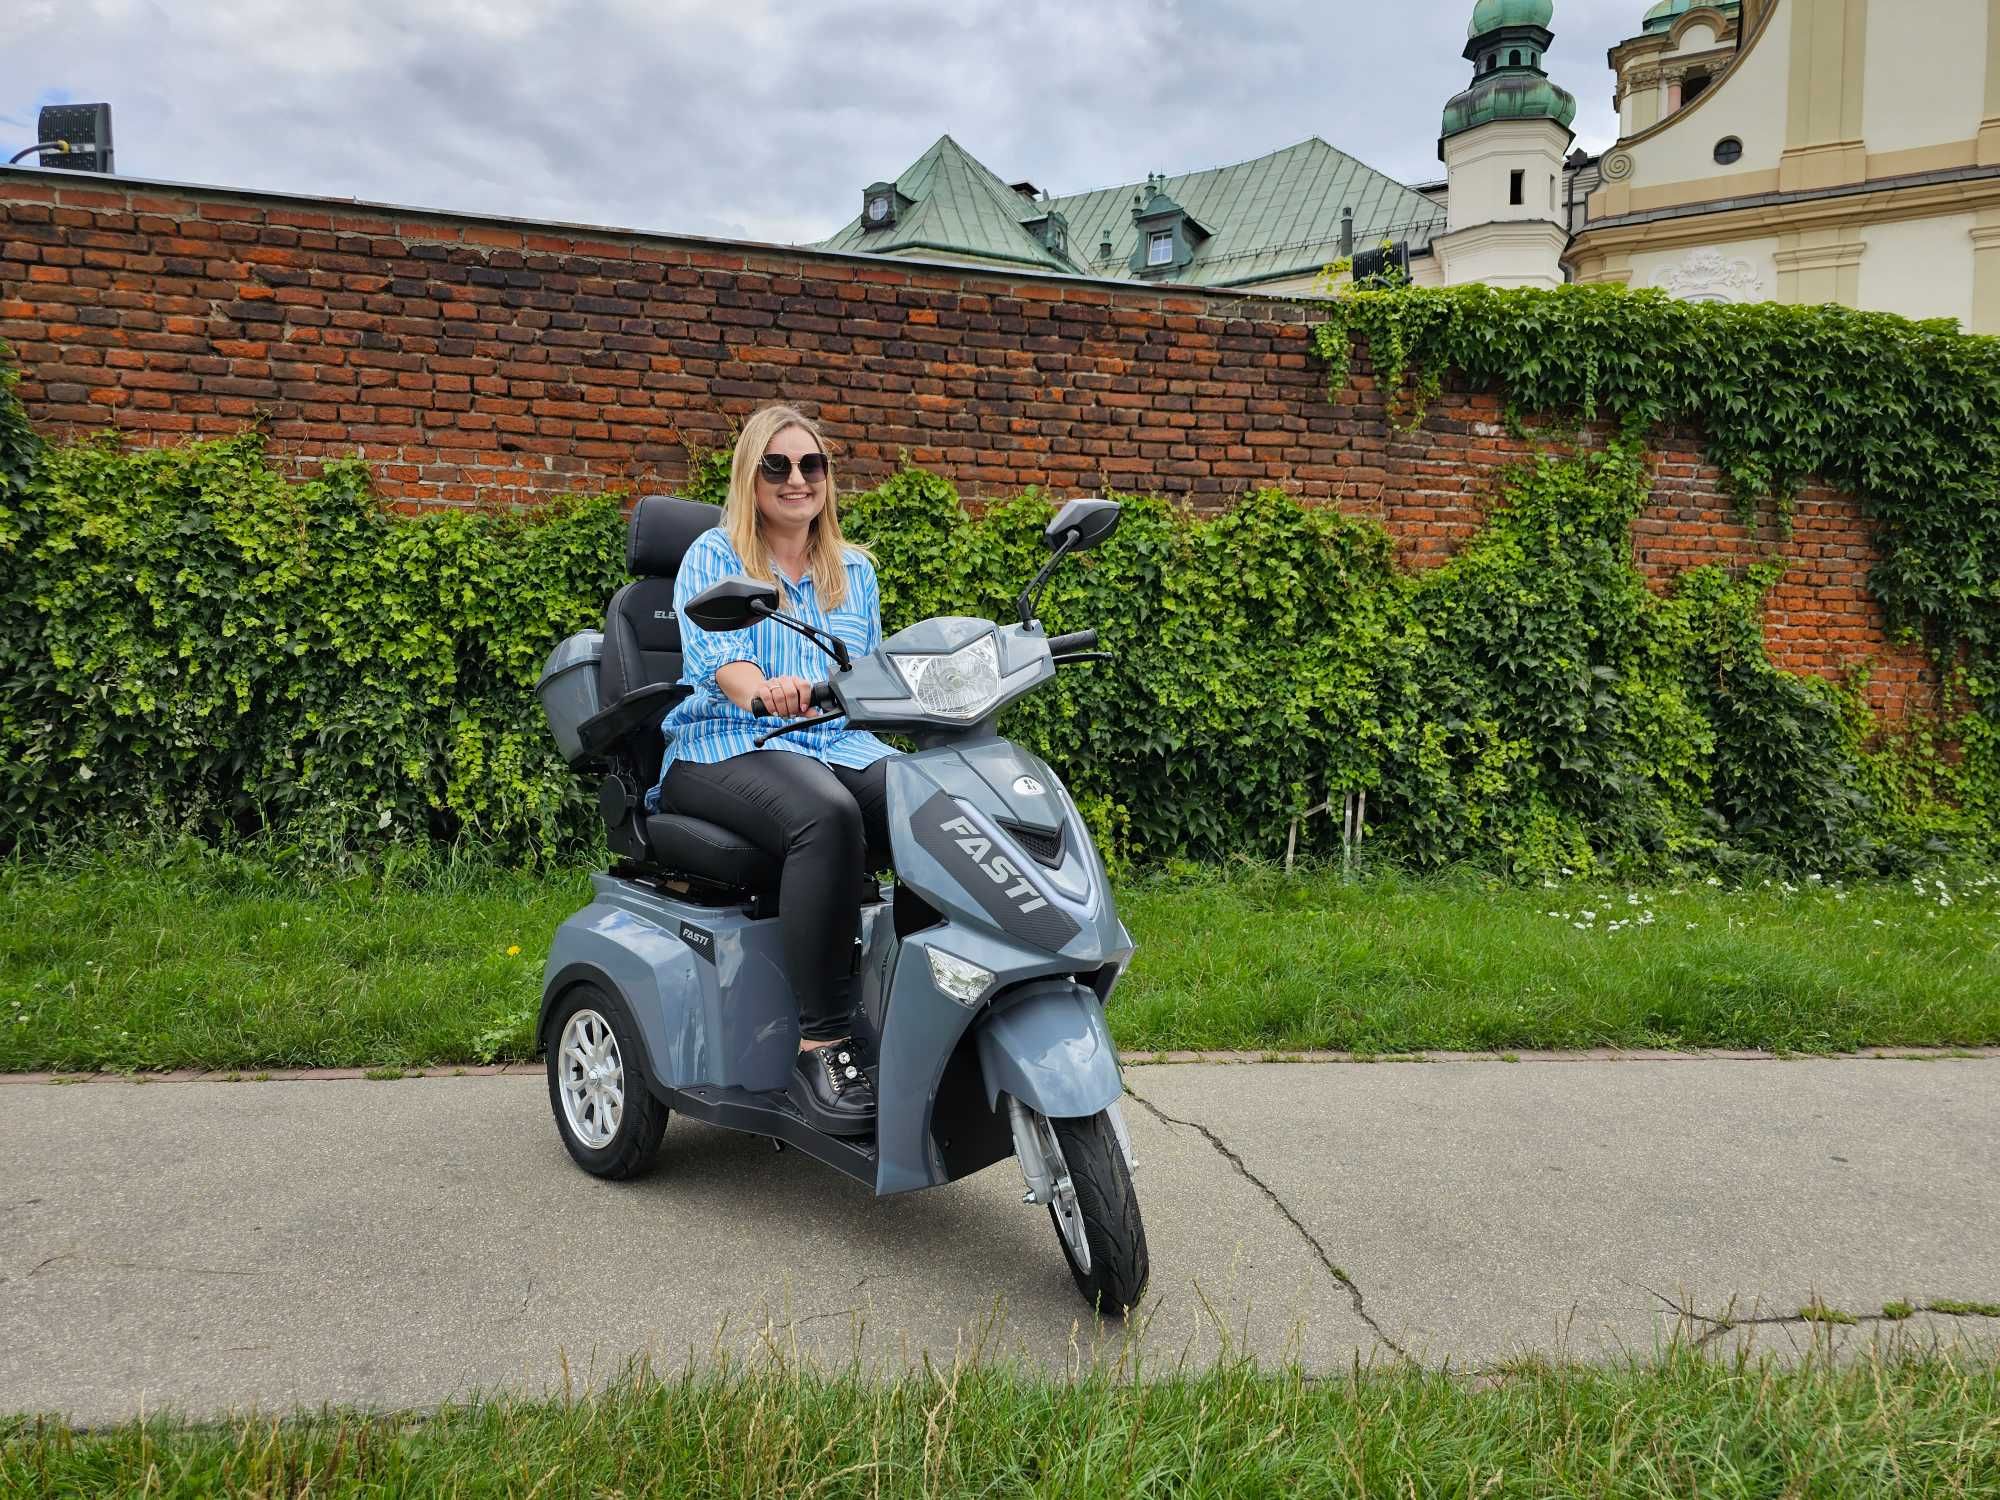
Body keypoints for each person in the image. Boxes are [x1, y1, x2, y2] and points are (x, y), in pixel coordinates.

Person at [655, 404, 892, 1135]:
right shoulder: (715, 556)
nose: (798, 480)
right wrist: (760, 689)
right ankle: (821, 1044)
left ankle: (924, 1004)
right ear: (750, 476)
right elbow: (722, 661)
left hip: (834, 743)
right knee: (826, 815)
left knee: (926, 798)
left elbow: (874, 673)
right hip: (724, 744)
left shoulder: (855, 570)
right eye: (778, 466)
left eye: (811, 465)